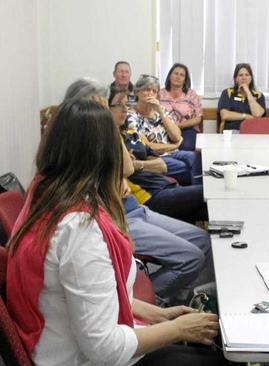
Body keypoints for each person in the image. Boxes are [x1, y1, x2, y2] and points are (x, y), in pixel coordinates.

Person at [6, 99, 223, 366]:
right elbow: (105, 348)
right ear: (105, 154)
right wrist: (179, 330)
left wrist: (156, 315)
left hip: (68, 345)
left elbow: (89, 299)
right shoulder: (80, 230)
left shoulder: (45, 194)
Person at [110, 87, 213, 304]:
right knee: (192, 255)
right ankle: (139, 303)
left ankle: (181, 297)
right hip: (133, 211)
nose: (125, 110)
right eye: (119, 105)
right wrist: (131, 162)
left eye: (125, 104)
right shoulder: (106, 139)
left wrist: (132, 165)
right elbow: (127, 169)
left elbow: (161, 165)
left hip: (138, 206)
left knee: (204, 240)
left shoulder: (128, 133)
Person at [127, 74, 201, 186]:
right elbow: (146, 146)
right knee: (186, 167)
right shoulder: (132, 116)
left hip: (172, 153)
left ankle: (197, 192)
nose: (150, 93)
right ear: (137, 92)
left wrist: (160, 113)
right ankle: (198, 194)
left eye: (154, 91)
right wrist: (173, 146)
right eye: (147, 90)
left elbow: (176, 136)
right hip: (155, 157)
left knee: (196, 158)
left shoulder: (160, 110)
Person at [159, 63, 203, 151]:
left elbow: (198, 118)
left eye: (182, 75)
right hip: (164, 129)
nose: (178, 77)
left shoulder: (192, 95)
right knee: (161, 147)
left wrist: (179, 125)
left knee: (185, 146)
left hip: (187, 129)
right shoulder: (159, 94)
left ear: (185, 80)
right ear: (170, 76)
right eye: (175, 73)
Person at [218, 63, 266, 131]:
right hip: (233, 130)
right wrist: (245, 116)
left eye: (247, 75)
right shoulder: (227, 92)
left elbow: (257, 114)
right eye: (240, 75)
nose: (244, 78)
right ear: (236, 79)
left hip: (252, 131)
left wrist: (248, 93)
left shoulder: (258, 95)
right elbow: (224, 115)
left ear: (251, 78)